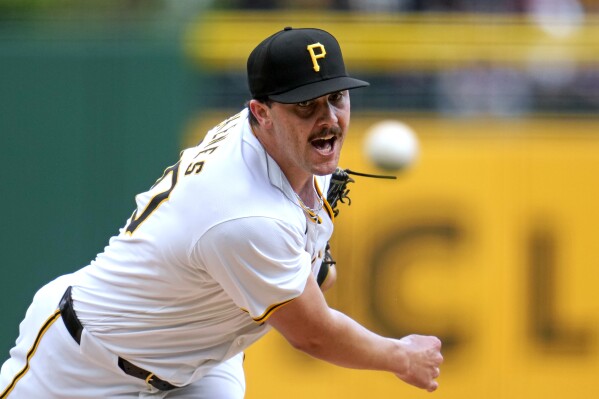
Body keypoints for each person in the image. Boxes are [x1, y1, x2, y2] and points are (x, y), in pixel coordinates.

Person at [0, 27, 443, 398]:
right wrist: (400, 356)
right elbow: (313, 334)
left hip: (199, 368)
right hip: (82, 365)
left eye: (336, 98)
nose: (327, 118)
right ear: (261, 113)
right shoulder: (243, 214)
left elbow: (315, 281)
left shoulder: (291, 149)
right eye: (305, 105)